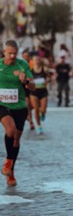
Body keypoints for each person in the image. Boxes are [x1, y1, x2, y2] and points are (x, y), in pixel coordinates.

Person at [1, 40, 35, 186]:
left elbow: (33, 86)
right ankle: (8, 162)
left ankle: (11, 171)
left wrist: (26, 81)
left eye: (15, 53)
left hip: (20, 106)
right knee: (11, 130)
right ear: (4, 52)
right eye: (10, 53)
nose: (13, 56)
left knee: (16, 140)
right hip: (2, 104)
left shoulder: (23, 65)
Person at [30, 52, 50, 134]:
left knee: (43, 109)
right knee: (36, 109)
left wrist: (47, 81)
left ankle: (43, 114)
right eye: (35, 60)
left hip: (43, 91)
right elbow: (28, 80)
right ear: (33, 61)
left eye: (38, 60)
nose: (37, 61)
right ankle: (39, 126)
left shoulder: (44, 69)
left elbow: (50, 77)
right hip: (34, 92)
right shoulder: (30, 71)